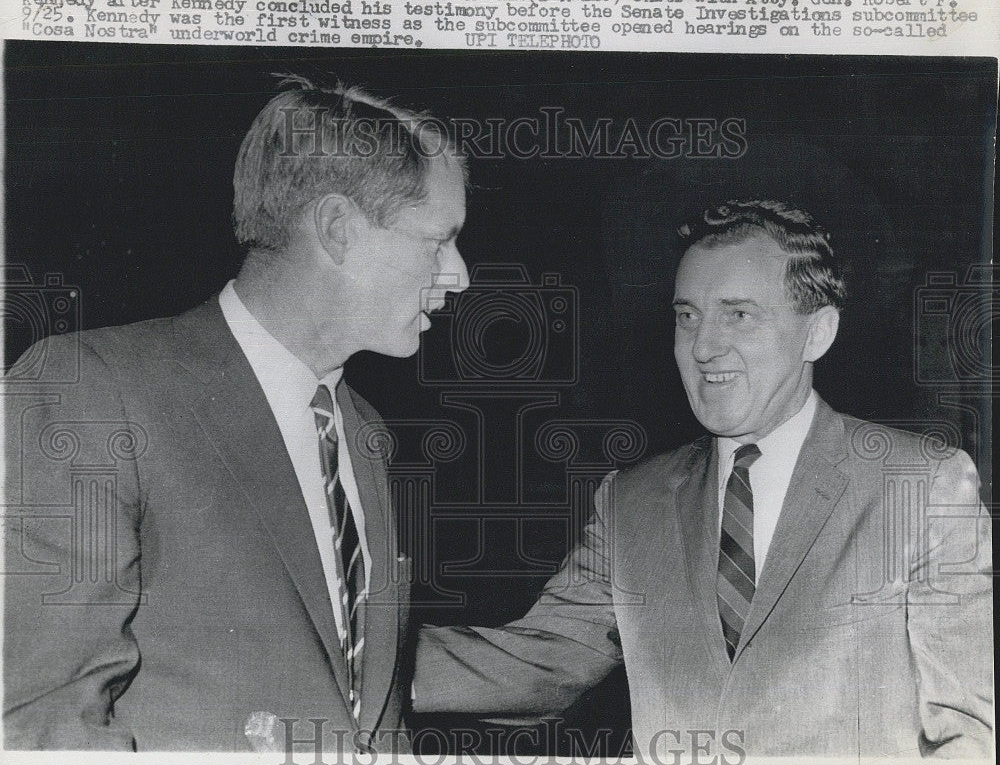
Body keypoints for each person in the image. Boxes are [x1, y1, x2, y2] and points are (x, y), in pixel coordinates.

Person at [413, 199, 993, 760]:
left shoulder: (920, 485)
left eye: (738, 314)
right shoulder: (631, 501)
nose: (705, 346)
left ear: (817, 333)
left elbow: (972, 734)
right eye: (687, 316)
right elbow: (540, 662)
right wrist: (352, 659)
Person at [3, 76, 469, 752]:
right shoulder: (92, 389)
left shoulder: (365, 433)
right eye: (438, 239)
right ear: (338, 229)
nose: (459, 274)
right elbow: (40, 723)